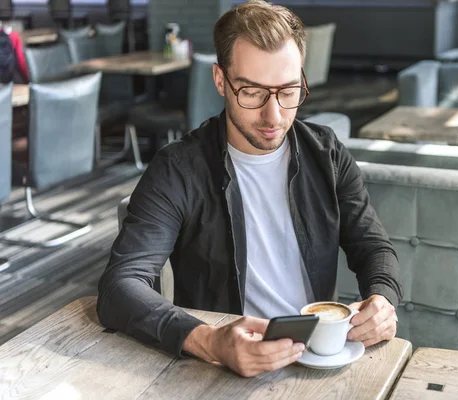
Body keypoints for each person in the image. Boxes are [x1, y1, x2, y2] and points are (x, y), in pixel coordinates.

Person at [97, 0, 403, 378]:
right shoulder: (178, 169)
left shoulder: (327, 153)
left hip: (319, 363)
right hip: (219, 370)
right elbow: (119, 285)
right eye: (253, 92)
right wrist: (208, 340)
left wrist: (383, 300)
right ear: (221, 80)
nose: (273, 116)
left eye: (288, 91)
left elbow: (373, 247)